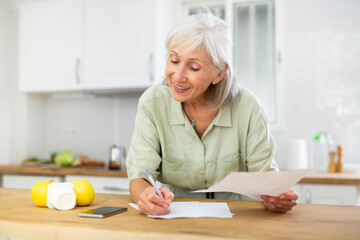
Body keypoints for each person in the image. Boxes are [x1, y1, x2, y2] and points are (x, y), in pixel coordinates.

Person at [126, 13, 298, 215]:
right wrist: (145, 195)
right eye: (174, 60)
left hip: (239, 217)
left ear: (219, 73)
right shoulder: (153, 104)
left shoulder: (248, 108)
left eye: (194, 67)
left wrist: (275, 197)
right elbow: (139, 175)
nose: (178, 76)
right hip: (173, 215)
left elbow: (266, 180)